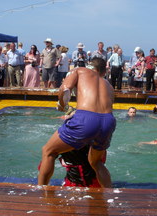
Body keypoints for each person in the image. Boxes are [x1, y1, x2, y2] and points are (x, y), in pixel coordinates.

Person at [38, 58, 116, 187]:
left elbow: (65, 89)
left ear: (90, 66)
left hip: (86, 118)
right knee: (96, 162)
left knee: (48, 151)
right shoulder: (108, 85)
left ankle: (40, 190)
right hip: (108, 120)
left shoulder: (79, 71)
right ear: (103, 72)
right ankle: (109, 194)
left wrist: (63, 105)